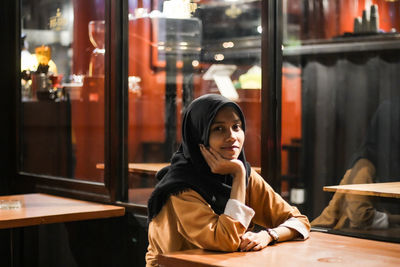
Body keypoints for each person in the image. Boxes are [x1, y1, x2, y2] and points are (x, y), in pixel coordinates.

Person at [145, 94, 310, 266]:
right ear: (198, 136)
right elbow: (225, 240)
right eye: (218, 129)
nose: (232, 136)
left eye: (236, 127)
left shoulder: (246, 176)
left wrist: (268, 235)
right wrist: (238, 175)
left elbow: (299, 221)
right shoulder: (180, 187)